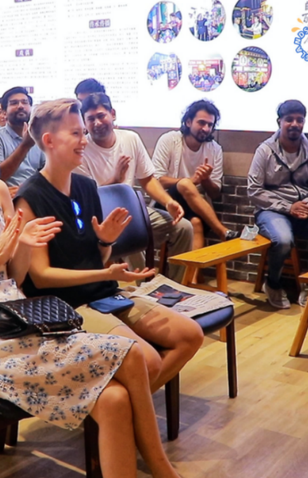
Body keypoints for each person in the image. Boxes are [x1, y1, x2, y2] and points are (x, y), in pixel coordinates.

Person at [0, 92, 183, 478]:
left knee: (113, 399)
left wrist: (22, 245)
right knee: (128, 355)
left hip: (20, 317)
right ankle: (162, 469)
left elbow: (16, 277)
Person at [15, 97, 203, 397]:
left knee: (190, 335)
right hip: (66, 304)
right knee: (148, 360)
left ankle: (118, 410)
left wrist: (105, 241)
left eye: (83, 132)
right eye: (76, 133)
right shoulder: (30, 197)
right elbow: (42, 277)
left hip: (103, 294)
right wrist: (105, 273)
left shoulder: (86, 186)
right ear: (49, 141)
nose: (84, 140)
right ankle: (117, 411)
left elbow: (96, 257)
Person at [76, 93, 193, 283]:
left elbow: (147, 180)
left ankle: (174, 286)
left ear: (113, 114)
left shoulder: (130, 138)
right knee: (131, 232)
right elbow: (88, 197)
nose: (97, 123)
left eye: (101, 116)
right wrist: (115, 180)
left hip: (132, 210)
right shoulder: (81, 149)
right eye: (90, 119)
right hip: (100, 217)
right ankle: (144, 287)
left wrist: (168, 202)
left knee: (183, 227)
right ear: (84, 122)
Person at [248, 100, 308, 309]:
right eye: (289, 120)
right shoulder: (264, 150)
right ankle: (273, 283)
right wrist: (288, 208)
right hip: (272, 211)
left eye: (299, 120)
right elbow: (254, 191)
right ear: (279, 122)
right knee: (283, 240)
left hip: (305, 212)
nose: (295, 124)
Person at [152, 99, 239, 252]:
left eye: (210, 125)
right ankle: (222, 231)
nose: (206, 129)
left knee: (196, 223)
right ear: (188, 122)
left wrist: (205, 180)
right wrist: (190, 180)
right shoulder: (169, 140)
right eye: (201, 123)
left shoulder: (215, 149)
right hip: (167, 202)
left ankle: (189, 269)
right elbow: (156, 180)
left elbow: (215, 193)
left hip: (197, 205)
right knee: (185, 184)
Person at [0, 86, 46, 188]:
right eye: (14, 103)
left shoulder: (38, 136)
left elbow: (47, 170)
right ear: (4, 112)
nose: (20, 106)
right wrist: (25, 146)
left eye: (25, 102)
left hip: (36, 192)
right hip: (8, 194)